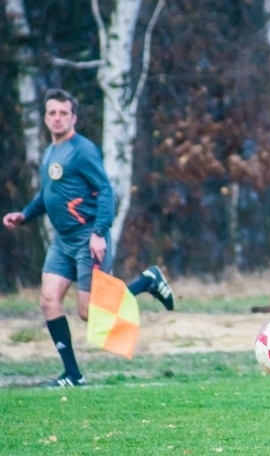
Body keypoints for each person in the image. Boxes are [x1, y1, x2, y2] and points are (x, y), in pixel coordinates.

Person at [2, 88, 175, 387]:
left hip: (86, 238)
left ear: (74, 117)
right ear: (45, 117)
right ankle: (72, 374)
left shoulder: (82, 150)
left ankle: (148, 280)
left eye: (63, 113)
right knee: (48, 301)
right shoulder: (50, 152)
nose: (57, 118)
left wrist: (98, 233)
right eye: (52, 113)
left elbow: (106, 190)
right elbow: (48, 194)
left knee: (90, 313)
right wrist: (26, 215)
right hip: (62, 240)